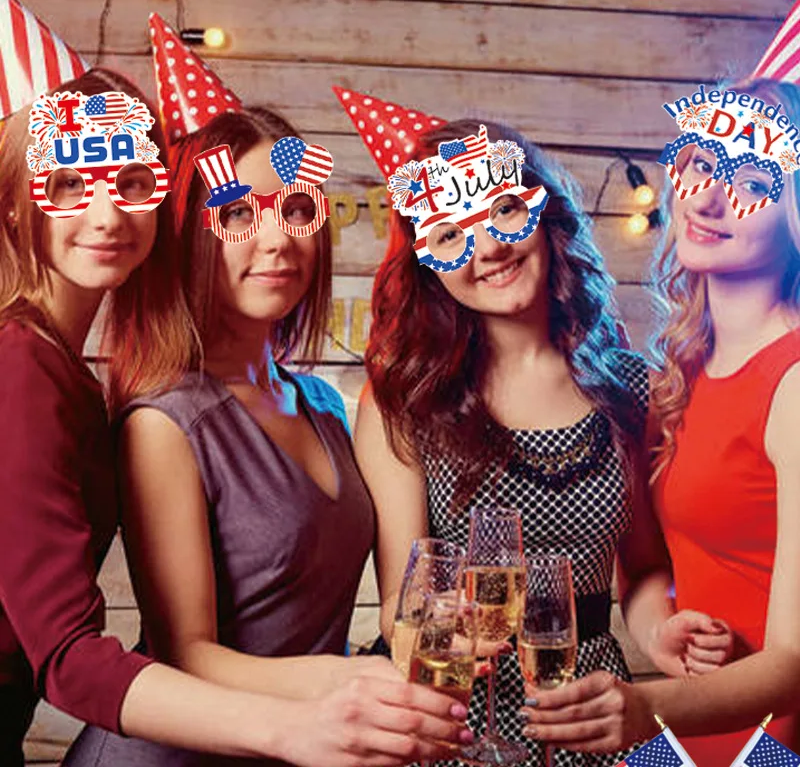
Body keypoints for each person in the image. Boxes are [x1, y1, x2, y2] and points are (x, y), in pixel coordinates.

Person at [0, 68, 468, 767]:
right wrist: (335, 693)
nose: (106, 214)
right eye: (239, 214)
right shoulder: (40, 372)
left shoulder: (320, 407)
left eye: (131, 182)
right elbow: (73, 655)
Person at [353, 113, 649, 767]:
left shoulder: (627, 386)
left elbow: (647, 572)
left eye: (502, 212)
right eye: (452, 234)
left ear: (544, 214)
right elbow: (399, 609)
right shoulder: (402, 400)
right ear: (428, 265)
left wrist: (671, 634)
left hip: (591, 708)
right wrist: (435, 638)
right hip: (456, 719)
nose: (487, 249)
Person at [519, 78, 800, 766]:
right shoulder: (681, 369)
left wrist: (643, 707)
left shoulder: (793, 381)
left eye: (754, 179)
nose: (707, 197)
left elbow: (795, 661)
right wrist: (660, 632)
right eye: (702, 164)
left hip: (775, 743)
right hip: (695, 724)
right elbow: (650, 569)